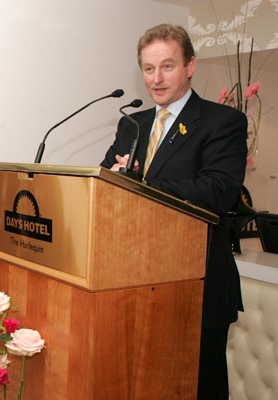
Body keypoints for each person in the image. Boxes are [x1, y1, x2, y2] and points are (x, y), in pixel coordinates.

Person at [100, 24, 247, 400]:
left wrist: (139, 182)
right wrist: (115, 178)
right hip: (134, 281)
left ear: (190, 65)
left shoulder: (222, 122)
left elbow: (219, 190)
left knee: (200, 388)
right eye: (148, 69)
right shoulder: (133, 124)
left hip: (197, 284)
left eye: (167, 66)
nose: (156, 79)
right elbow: (104, 183)